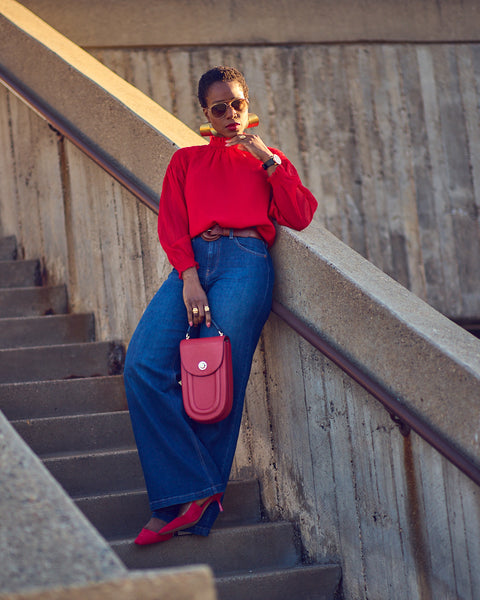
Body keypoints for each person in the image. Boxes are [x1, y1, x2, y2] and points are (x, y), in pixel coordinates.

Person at [124, 66, 318, 545]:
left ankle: (184, 508)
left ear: (247, 105)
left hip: (246, 263)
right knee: (143, 365)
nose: (231, 115)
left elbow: (300, 215)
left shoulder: (269, 160)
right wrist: (189, 276)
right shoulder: (185, 161)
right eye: (219, 108)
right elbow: (171, 224)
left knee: (220, 379)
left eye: (237, 104)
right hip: (192, 266)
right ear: (204, 115)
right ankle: (198, 489)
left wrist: (267, 159)